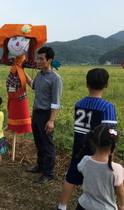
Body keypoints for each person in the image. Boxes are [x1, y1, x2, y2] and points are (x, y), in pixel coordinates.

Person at [57, 68, 117, 210]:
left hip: (79, 146)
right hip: (99, 150)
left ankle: (62, 206)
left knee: (71, 176)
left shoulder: (79, 103)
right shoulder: (108, 107)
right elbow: (109, 134)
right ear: (106, 84)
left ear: (86, 84)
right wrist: (110, 154)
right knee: (99, 180)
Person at [24, 46, 63, 184]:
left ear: (49, 60)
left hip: (46, 115)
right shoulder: (39, 74)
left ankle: (48, 173)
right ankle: (40, 165)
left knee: (48, 145)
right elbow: (33, 85)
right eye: (37, 58)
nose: (38, 61)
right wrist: (21, 71)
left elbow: (55, 102)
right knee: (39, 142)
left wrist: (51, 120)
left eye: (41, 59)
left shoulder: (55, 79)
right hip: (36, 113)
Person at [75, 125, 124, 210]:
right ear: (114, 145)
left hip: (83, 206)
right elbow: (120, 192)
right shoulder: (116, 169)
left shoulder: (85, 160)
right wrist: (121, 205)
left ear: (93, 142)